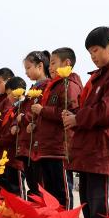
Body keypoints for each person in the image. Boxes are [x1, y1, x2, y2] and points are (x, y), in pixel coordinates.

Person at [63, 27, 109, 218]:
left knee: (101, 209)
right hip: (92, 151)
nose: (92, 56)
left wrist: (78, 119)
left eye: (95, 50)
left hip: (105, 151)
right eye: (90, 52)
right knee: (89, 204)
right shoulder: (101, 75)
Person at [31, 48, 83, 208]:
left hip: (60, 149)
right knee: (50, 194)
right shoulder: (54, 86)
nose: (50, 67)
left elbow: (71, 114)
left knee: (62, 192)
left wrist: (43, 110)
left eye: (53, 63)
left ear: (67, 63)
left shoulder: (69, 85)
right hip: (48, 148)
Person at [17, 50, 51, 199]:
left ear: (40, 66)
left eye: (28, 68)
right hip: (27, 143)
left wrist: (25, 118)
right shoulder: (33, 88)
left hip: (38, 144)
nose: (26, 72)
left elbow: (38, 111)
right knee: (32, 185)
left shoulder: (48, 86)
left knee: (41, 188)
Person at [0, 76, 27, 195]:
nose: (8, 97)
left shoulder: (23, 107)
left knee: (17, 191)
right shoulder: (13, 109)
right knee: (9, 191)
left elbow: (13, 133)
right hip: (8, 156)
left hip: (16, 157)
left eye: (9, 94)